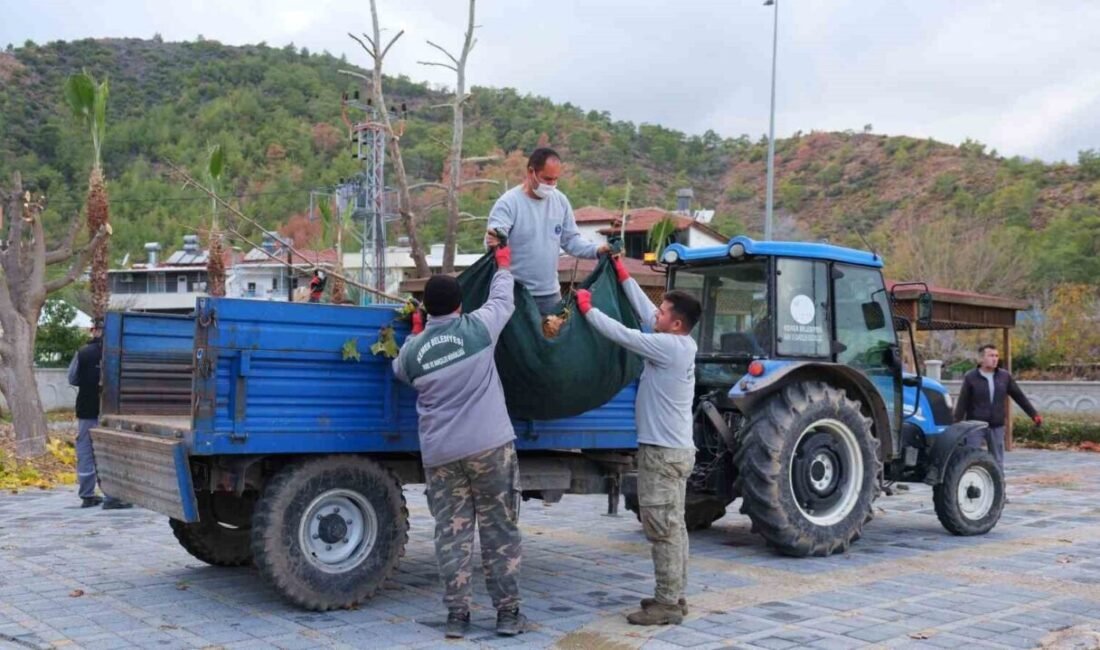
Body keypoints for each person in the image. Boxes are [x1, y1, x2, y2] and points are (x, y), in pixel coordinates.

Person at [392, 244, 526, 639]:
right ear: (460, 304)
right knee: (499, 528)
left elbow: (399, 369)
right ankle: (507, 614)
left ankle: (457, 616)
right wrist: (503, 264)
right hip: (489, 447)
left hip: (442, 455)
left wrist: (416, 332)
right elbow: (504, 299)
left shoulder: (412, 353)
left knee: (451, 534)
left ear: (425, 309)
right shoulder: (478, 328)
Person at [575, 258, 701, 626]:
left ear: (675, 324)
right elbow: (647, 313)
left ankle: (667, 604)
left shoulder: (668, 347)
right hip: (675, 451)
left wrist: (588, 309)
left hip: (662, 455)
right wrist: (625, 276)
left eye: (664, 311)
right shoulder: (681, 343)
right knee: (674, 526)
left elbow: (624, 335)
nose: (656, 313)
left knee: (662, 529)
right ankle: (675, 595)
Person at [486, 147, 610, 315]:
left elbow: (571, 241)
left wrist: (597, 250)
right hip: (514, 294)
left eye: (555, 179)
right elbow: (496, 238)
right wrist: (494, 240)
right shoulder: (508, 203)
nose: (551, 184)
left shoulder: (560, 201)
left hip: (550, 295)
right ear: (531, 172)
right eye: (547, 179)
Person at [67, 319, 132, 510]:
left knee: (86, 451)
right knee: (111, 453)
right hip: (113, 412)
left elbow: (72, 378)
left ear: (94, 330)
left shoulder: (83, 353)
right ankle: (113, 496)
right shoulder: (121, 352)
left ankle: (87, 495)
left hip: (87, 410)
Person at [953, 343, 1042, 468]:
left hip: (996, 425)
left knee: (997, 460)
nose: (995, 359)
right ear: (981, 359)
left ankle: (998, 480)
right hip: (975, 425)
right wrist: (956, 423)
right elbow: (963, 401)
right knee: (970, 458)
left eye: (996, 356)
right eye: (991, 356)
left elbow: (1019, 396)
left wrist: (1034, 414)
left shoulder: (1004, 376)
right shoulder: (971, 377)